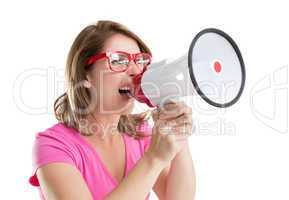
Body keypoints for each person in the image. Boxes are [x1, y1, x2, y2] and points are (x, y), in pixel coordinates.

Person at [28, 20, 196, 200]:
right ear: (85, 72)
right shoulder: (54, 145)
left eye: (139, 60)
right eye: (118, 60)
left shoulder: (140, 135)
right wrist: (154, 158)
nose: (135, 71)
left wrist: (179, 135)